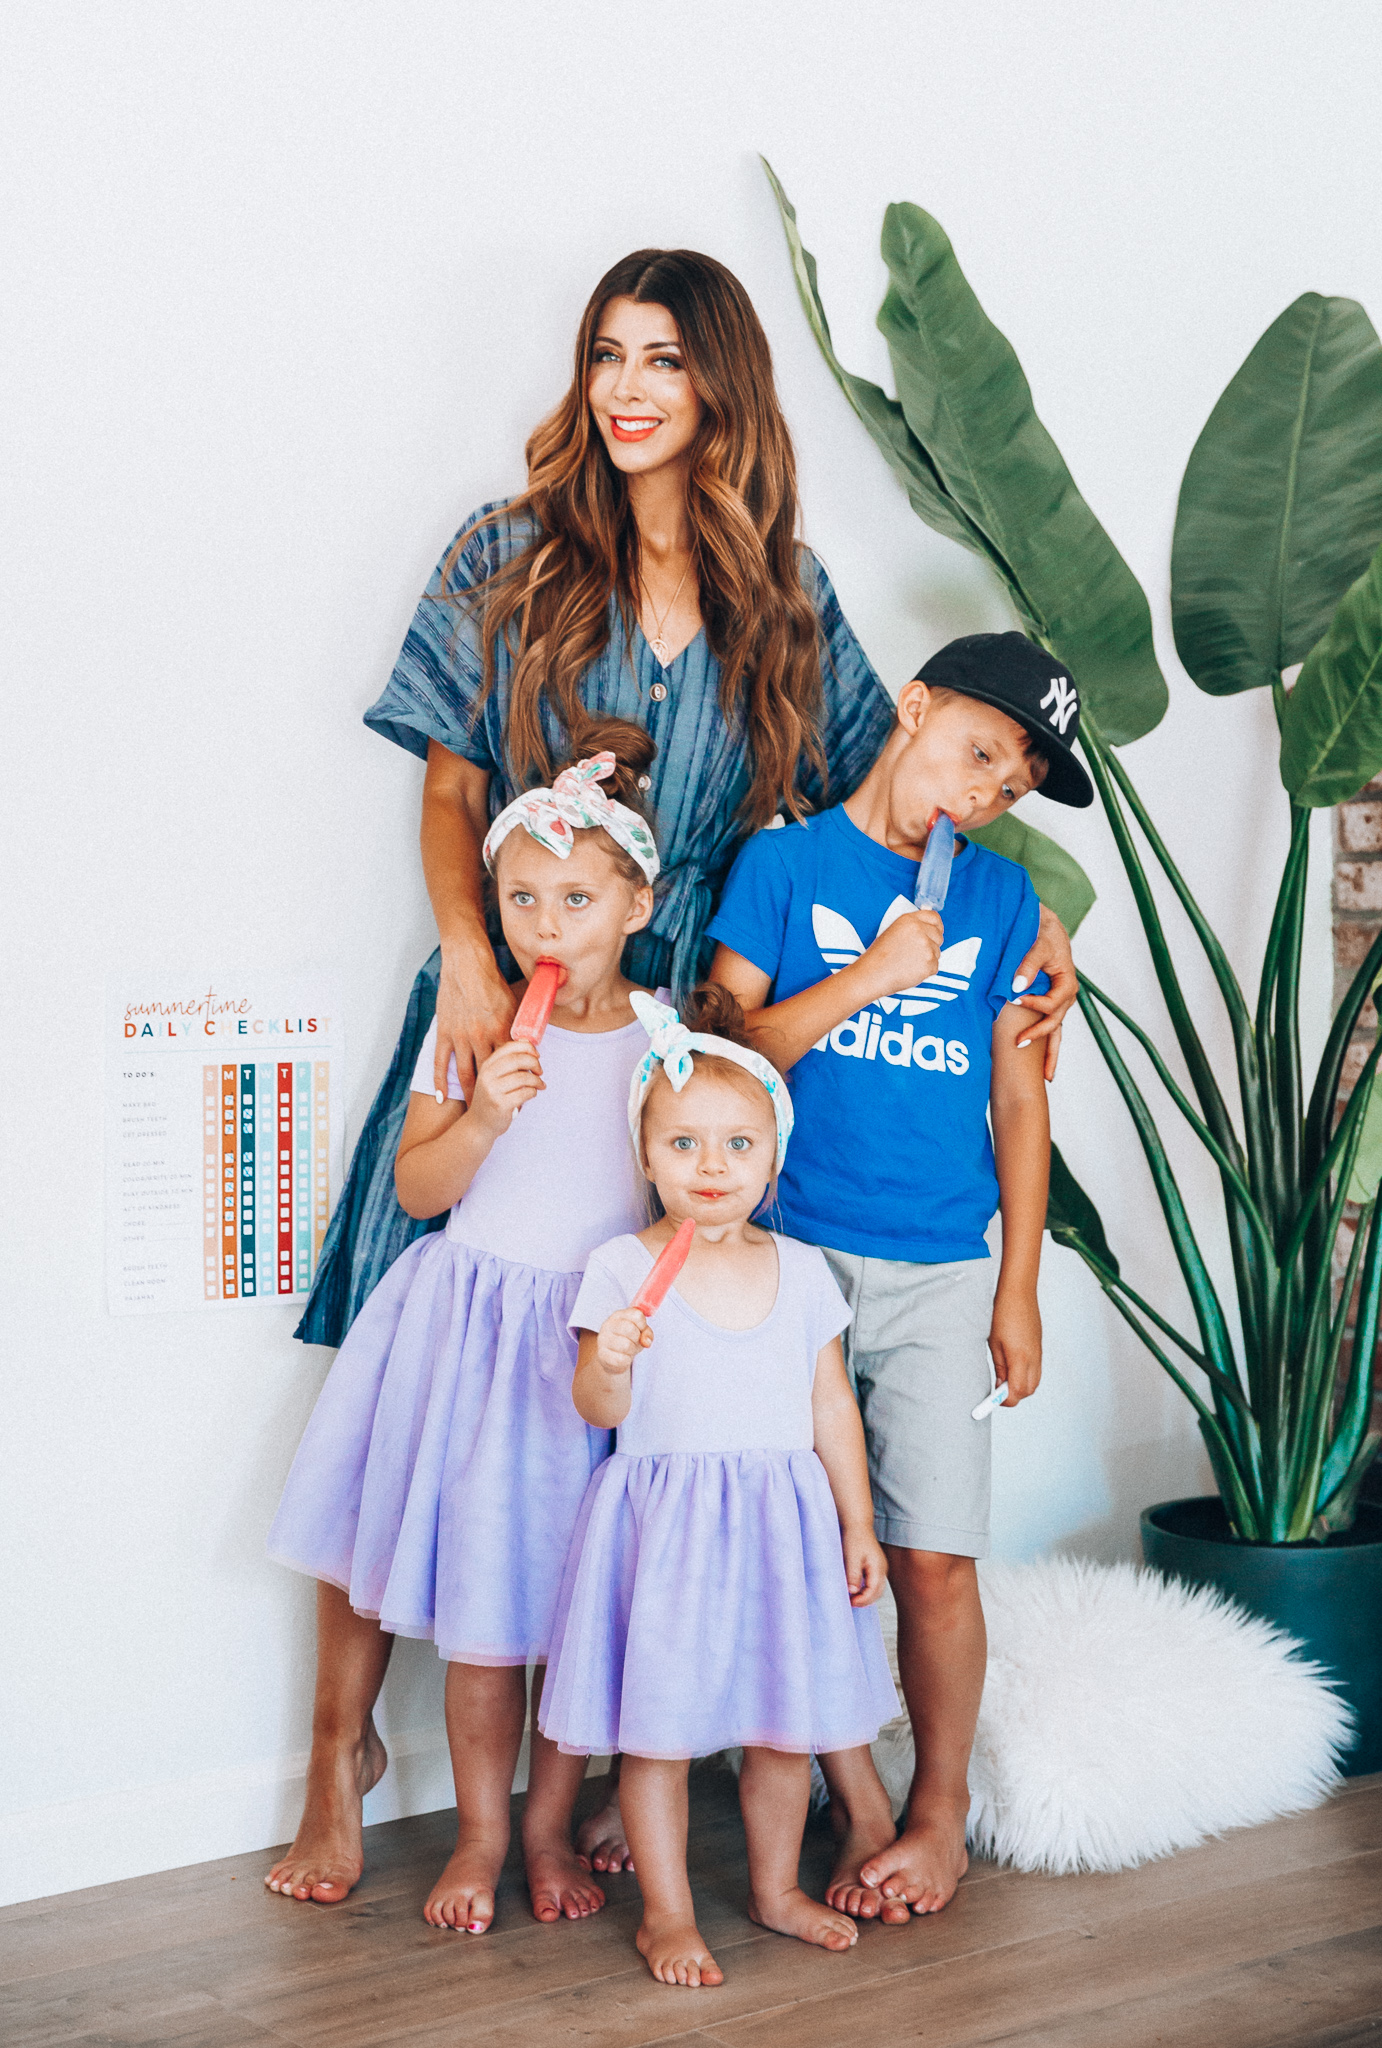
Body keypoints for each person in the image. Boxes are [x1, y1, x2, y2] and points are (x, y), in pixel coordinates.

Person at [295, 246, 1080, 1874]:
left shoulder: (783, 594)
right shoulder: (505, 556)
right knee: (412, 1387)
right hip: (504, 1010)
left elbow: (908, 779)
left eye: (664, 355)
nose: (630, 384)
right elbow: (449, 785)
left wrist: (1042, 926)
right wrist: (460, 941)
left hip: (675, 1065)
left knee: (604, 1412)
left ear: (721, 383)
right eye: (606, 352)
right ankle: (334, 1754)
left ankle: (564, 1807)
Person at [708, 631, 1088, 1924]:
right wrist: (869, 977)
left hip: (937, 1267)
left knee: (932, 1557)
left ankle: (935, 1812)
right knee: (787, 1539)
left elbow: (1020, 1104)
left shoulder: (996, 904)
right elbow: (727, 1053)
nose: (986, 789)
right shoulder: (784, 863)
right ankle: (820, 1784)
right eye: (976, 750)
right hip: (789, 1254)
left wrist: (1016, 1290)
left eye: (1013, 779)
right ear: (912, 708)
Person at [265, 725, 668, 1930]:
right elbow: (417, 1190)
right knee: (488, 1621)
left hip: (581, 1355)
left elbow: (680, 1191)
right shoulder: (475, 1028)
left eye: (578, 898)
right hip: (471, 1347)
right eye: (523, 897)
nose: (548, 924)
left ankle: (547, 1829)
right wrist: (484, 1113)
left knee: (568, 1614)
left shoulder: (663, 1041)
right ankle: (482, 1835)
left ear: (634, 904)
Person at [539, 987, 898, 1988]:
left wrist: (856, 1522)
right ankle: (665, 1910)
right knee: (655, 1737)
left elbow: (830, 1405)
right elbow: (597, 1407)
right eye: (684, 1142)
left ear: (771, 1157)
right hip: (665, 1531)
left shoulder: (800, 1267)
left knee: (783, 1730)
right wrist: (609, 1355)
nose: (710, 1165)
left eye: (737, 1143)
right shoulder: (620, 1266)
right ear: (646, 1154)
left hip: (783, 1531)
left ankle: (774, 1886)